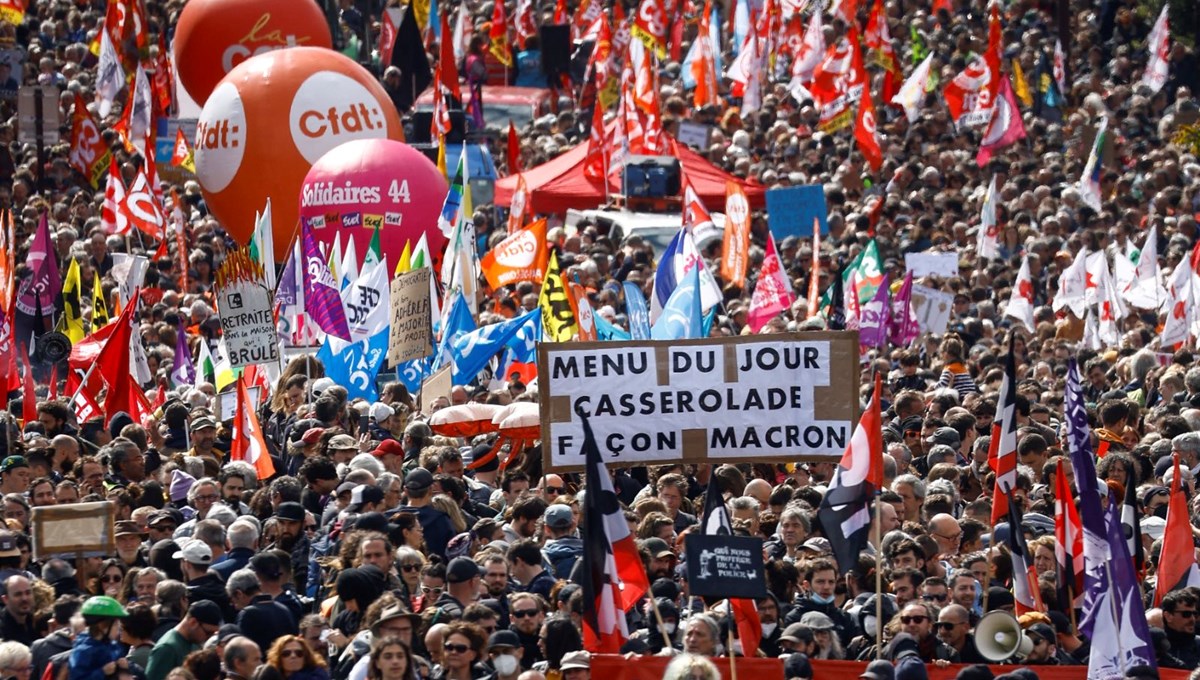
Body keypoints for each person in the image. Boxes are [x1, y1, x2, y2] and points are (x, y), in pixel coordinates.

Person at [144, 600, 224, 680]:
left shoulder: (194, 643)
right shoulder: (166, 648)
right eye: (208, 633)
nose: (209, 638)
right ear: (193, 622)